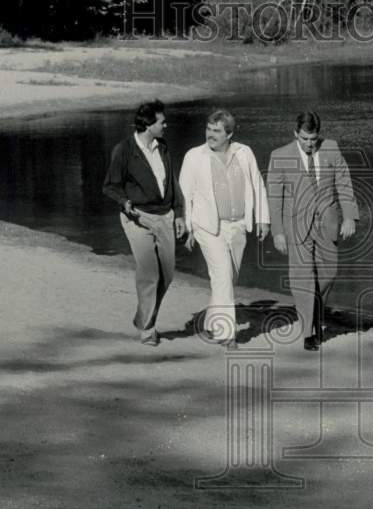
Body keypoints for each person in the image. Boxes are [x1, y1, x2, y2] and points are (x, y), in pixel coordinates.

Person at [267, 110, 357, 351]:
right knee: (302, 277)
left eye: (313, 139)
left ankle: (316, 311)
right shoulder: (279, 156)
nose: (309, 144)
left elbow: (344, 182)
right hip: (296, 226)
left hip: (327, 223)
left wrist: (349, 217)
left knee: (329, 274)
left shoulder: (331, 148)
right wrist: (277, 232)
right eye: (304, 139)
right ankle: (308, 332)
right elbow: (274, 198)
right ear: (296, 134)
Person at [179, 109, 270, 349]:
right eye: (208, 129)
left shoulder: (244, 153)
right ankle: (226, 334)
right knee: (222, 275)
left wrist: (263, 219)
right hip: (208, 226)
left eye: (216, 131)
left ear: (229, 133)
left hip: (239, 224)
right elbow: (185, 195)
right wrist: (188, 229)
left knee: (228, 278)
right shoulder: (194, 157)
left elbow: (257, 185)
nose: (210, 135)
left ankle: (211, 322)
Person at [103, 99, 185, 346]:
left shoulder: (163, 147)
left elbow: (172, 183)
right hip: (137, 217)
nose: (166, 125)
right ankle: (148, 329)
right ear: (149, 124)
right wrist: (125, 202)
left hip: (166, 216)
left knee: (167, 275)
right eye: (162, 122)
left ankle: (143, 318)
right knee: (150, 272)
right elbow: (110, 185)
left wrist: (179, 212)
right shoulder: (124, 149)